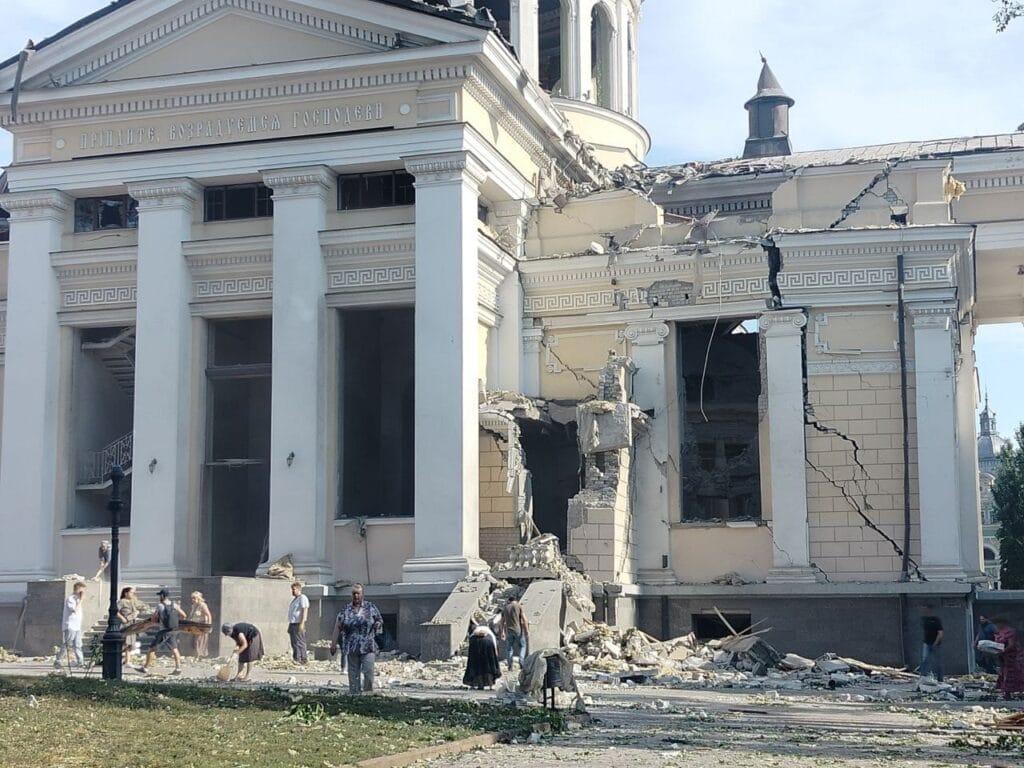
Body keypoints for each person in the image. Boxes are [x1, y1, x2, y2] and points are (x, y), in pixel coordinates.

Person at [330, 583, 383, 694]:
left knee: (368, 671)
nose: (356, 596)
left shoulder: (370, 607)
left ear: (362, 594)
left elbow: (379, 620)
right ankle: (354, 694)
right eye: (354, 593)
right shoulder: (346, 609)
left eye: (358, 593)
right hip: (351, 646)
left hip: (368, 645)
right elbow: (338, 626)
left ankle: (368, 693)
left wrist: (377, 624)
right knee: (353, 673)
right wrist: (333, 643)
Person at [138, 588, 186, 675]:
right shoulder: (174, 605)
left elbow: (154, 618)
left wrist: (156, 621)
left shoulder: (160, 605)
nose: (159, 597)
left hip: (163, 631)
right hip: (173, 630)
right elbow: (184, 615)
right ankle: (178, 668)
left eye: (160, 595)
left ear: (162, 596)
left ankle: (145, 668)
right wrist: (175, 622)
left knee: (152, 648)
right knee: (175, 649)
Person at [54, 581, 86, 669]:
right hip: (70, 625)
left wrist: (80, 600)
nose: (83, 593)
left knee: (78, 644)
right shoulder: (70, 599)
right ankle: (58, 660)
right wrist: (81, 600)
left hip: (77, 626)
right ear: (78, 589)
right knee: (67, 644)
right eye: (82, 590)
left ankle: (80, 661)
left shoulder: (78, 599)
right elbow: (74, 610)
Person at [463, 624, 502, 690]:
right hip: (487, 643)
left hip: (475, 643)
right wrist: (495, 655)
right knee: (489, 666)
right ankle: (491, 685)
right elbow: (494, 645)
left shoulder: (473, 634)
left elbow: (470, 649)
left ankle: (480, 685)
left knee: (478, 666)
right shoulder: (490, 634)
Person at [993, 617, 1024, 699]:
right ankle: (1007, 692)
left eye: (998, 624)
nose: (997, 626)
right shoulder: (999, 632)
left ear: (1003, 623)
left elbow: (1011, 645)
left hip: (1013, 656)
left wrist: (1003, 651)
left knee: (1015, 673)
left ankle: (1019, 692)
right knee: (1004, 673)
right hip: (1004, 657)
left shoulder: (1010, 632)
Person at [498, 596, 529, 672]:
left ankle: (510, 665)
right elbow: (524, 619)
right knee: (522, 645)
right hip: (518, 630)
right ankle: (521, 661)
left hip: (508, 630)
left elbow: (501, 622)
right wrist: (526, 631)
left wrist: (502, 632)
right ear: (516, 600)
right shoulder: (518, 606)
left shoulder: (505, 608)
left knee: (509, 648)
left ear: (509, 601)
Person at [116, 585, 141, 665]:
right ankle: (118, 658)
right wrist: (122, 618)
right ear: (126, 593)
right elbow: (115, 611)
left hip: (132, 624)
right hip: (125, 624)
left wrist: (136, 613)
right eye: (131, 592)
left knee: (130, 643)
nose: (133, 594)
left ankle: (127, 661)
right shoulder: (122, 601)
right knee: (125, 643)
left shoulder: (132, 601)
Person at [919, 604, 944, 682]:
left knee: (937, 662)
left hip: (935, 644)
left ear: (930, 610)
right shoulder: (924, 620)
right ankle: (923, 677)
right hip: (926, 643)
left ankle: (940, 679)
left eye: (926, 609)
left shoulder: (936, 620)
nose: (924, 611)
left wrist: (935, 643)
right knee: (925, 660)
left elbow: (940, 633)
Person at [287, 581, 310, 664]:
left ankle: (303, 658)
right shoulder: (295, 600)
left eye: (294, 589)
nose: (292, 591)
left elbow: (304, 610)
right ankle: (296, 658)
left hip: (298, 623)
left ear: (298, 589)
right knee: (294, 642)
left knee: (300, 641)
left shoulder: (302, 598)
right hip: (292, 623)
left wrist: (302, 623)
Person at [188, 591, 212, 658]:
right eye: (192, 598)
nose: (193, 600)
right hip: (194, 625)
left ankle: (199, 655)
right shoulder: (193, 605)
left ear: (198, 598)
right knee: (195, 641)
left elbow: (208, 615)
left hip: (202, 625)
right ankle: (197, 655)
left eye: (194, 598)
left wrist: (208, 626)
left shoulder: (203, 605)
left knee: (199, 641)